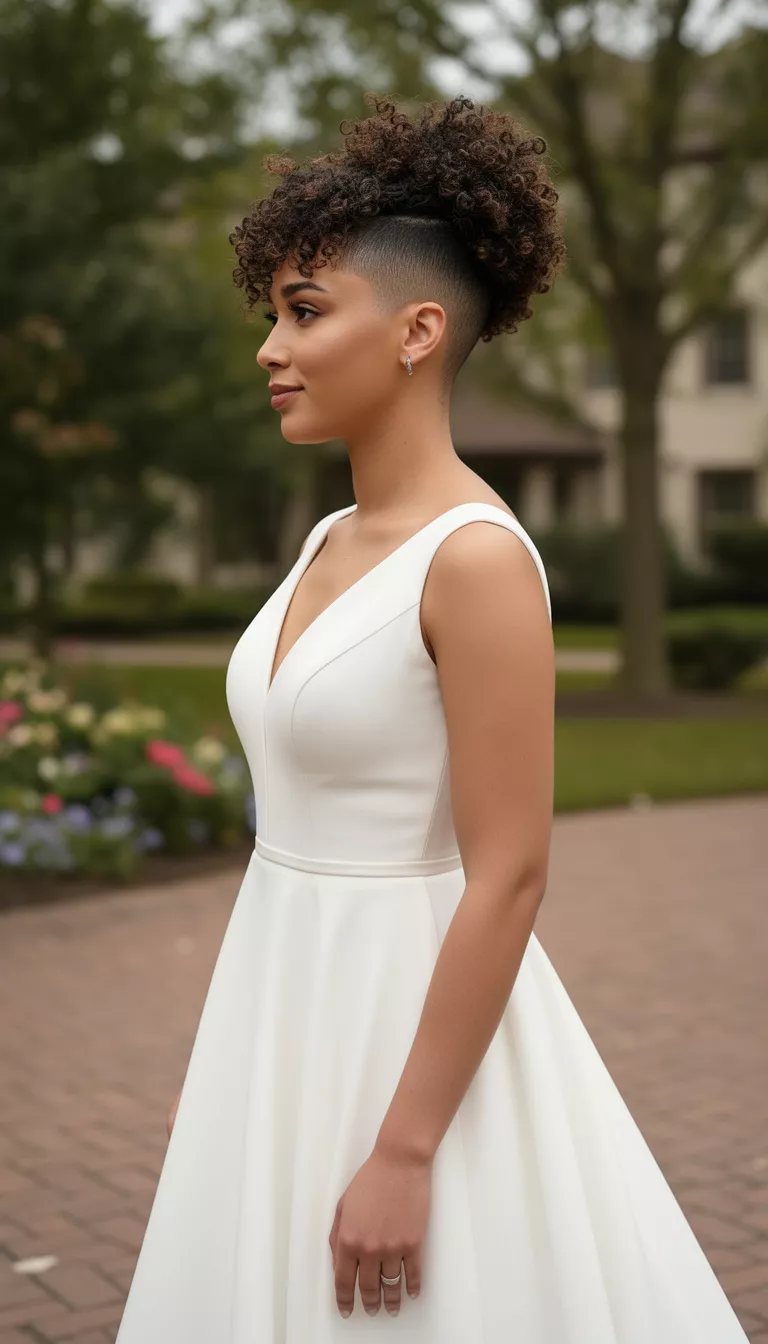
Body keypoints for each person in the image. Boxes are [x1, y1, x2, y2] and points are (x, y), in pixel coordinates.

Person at [115, 93, 748, 1341]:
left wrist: (404, 1151)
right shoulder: (325, 539)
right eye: (272, 315)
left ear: (417, 330)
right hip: (280, 986)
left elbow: (509, 874)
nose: (270, 350)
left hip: (406, 1019)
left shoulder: (477, 562)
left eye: (304, 312)